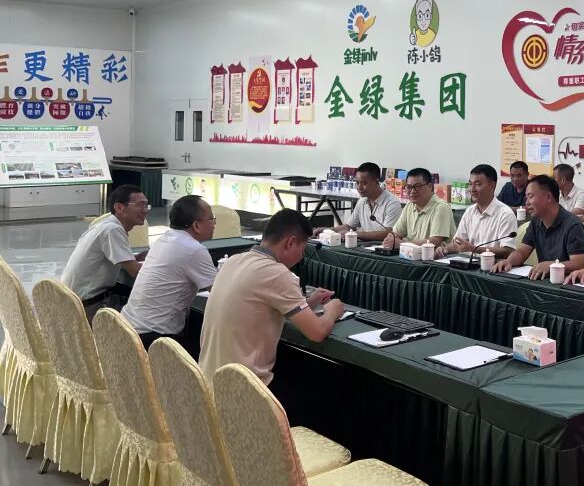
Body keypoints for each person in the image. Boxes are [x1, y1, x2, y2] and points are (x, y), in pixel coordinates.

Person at [199, 209, 343, 387]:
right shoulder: (277, 273)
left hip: (207, 383)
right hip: (243, 390)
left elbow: (261, 307)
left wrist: (308, 303)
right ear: (290, 243)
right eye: (302, 250)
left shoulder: (234, 261)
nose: (301, 258)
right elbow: (317, 332)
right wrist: (332, 311)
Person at [121, 196, 219, 349]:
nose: (214, 224)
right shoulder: (194, 250)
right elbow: (219, 292)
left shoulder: (164, 239)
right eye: (212, 219)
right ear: (196, 225)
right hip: (154, 339)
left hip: (127, 327)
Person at [60, 184, 149, 320]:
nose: (145, 210)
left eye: (146, 205)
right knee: (150, 312)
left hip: (73, 301)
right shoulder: (113, 230)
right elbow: (135, 271)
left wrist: (135, 258)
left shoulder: (103, 225)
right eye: (140, 205)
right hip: (90, 306)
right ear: (119, 207)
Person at [491, 175, 584, 280]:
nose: (527, 203)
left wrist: (551, 266)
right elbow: (522, 252)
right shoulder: (536, 221)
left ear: (548, 197)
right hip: (545, 280)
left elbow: (579, 263)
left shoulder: (573, 225)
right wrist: (508, 262)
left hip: (571, 282)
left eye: (531, 197)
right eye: (526, 198)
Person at [441, 164, 518, 259]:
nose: (472, 189)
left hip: (493, 265)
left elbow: (508, 251)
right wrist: (444, 249)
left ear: (492, 186)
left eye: (477, 184)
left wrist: (473, 249)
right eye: (470, 184)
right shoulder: (469, 211)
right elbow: (457, 243)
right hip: (470, 264)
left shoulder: (505, 214)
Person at [383, 167, 457, 251]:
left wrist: (402, 244)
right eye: (409, 187)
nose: (412, 191)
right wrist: (391, 238)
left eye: (417, 186)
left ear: (430, 186)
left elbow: (434, 242)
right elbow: (396, 233)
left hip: (436, 256)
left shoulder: (441, 207)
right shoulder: (409, 205)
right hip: (412, 254)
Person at [332, 162, 402, 240]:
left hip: (383, 246)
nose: (359, 187)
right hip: (365, 245)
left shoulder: (392, 203)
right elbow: (349, 226)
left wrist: (356, 234)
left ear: (376, 182)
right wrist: (329, 230)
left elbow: (387, 233)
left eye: (364, 183)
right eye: (357, 182)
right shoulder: (361, 201)